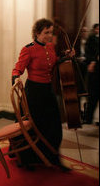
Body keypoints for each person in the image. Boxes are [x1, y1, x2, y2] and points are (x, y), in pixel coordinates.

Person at [11, 18, 74, 171]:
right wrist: (16, 78)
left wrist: (66, 56)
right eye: (46, 32)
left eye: (51, 32)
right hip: (33, 92)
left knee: (53, 126)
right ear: (37, 33)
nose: (49, 35)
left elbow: (54, 62)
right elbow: (17, 69)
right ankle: (27, 159)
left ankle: (53, 158)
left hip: (48, 90)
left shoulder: (50, 47)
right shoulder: (28, 49)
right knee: (33, 127)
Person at [83, 23, 99, 125]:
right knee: (92, 96)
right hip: (94, 72)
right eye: (96, 29)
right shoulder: (91, 39)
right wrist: (93, 61)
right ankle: (88, 118)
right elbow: (88, 52)